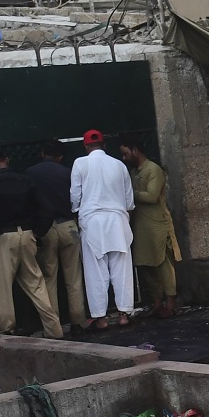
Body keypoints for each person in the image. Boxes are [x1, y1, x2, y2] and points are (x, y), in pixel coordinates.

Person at [0, 146, 63, 339]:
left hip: (3, 239)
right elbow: (46, 209)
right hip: (27, 236)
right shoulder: (26, 180)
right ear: (6, 160)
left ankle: (6, 333)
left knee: (2, 290)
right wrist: (37, 233)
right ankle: (55, 329)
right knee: (37, 285)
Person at [69, 129, 136, 329]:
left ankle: (101, 318)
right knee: (122, 270)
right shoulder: (119, 165)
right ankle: (124, 314)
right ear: (104, 145)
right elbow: (129, 200)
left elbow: (75, 195)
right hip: (117, 220)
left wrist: (77, 211)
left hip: (93, 222)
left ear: (86, 146)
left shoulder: (80, 163)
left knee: (96, 272)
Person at [27, 142, 89, 332]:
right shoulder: (67, 173)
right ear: (61, 157)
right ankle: (79, 321)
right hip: (68, 225)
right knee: (74, 277)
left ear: (42, 153)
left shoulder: (30, 173)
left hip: (45, 229)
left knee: (48, 277)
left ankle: (53, 327)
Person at [118, 141, 178, 319]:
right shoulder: (134, 172)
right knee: (147, 266)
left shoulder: (154, 170)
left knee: (163, 265)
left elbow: (152, 196)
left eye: (126, 153)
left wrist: (128, 193)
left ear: (135, 150)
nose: (124, 158)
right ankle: (157, 303)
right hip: (140, 226)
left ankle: (170, 304)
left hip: (157, 225)